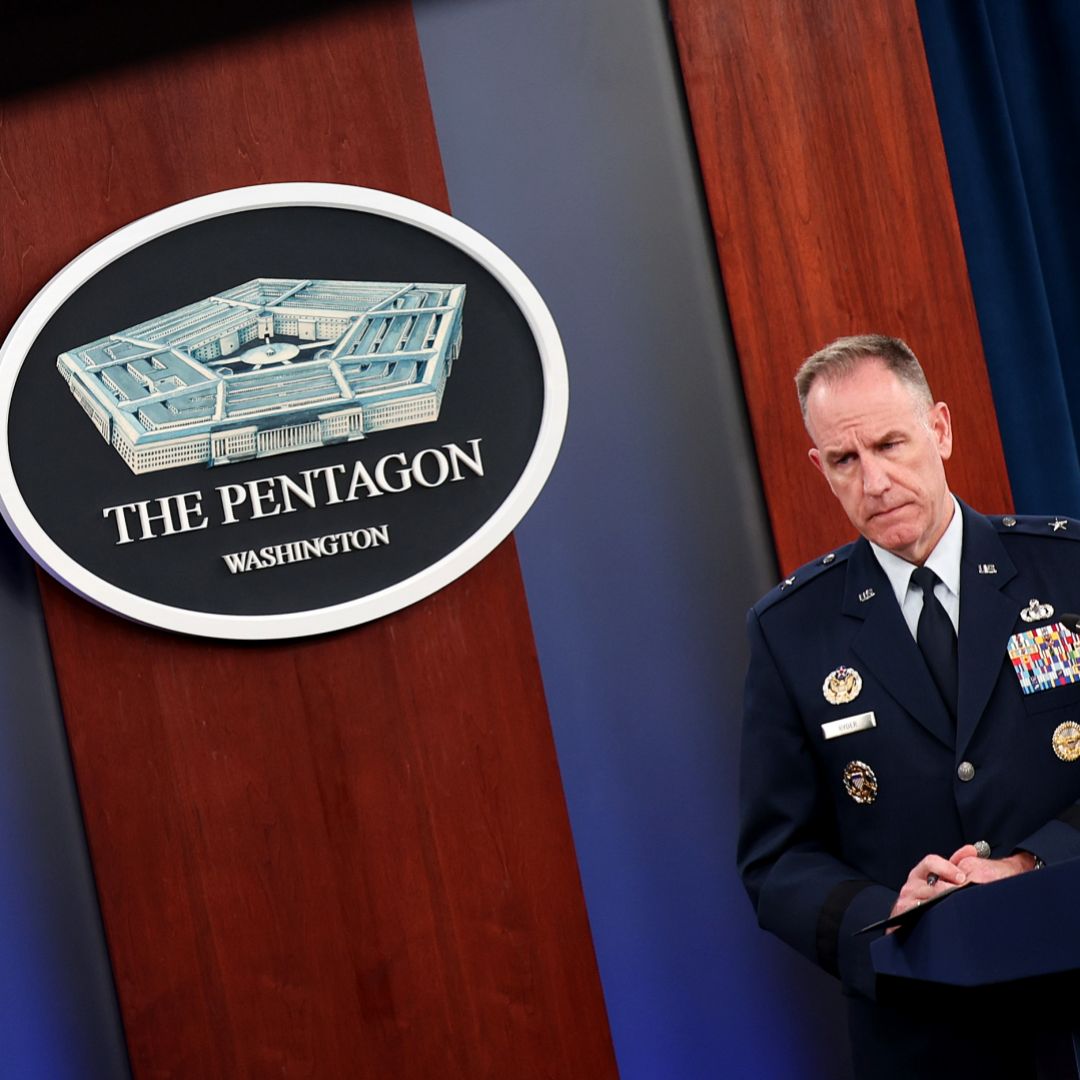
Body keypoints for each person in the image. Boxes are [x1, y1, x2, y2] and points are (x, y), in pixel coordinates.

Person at [737, 335, 1080, 1079]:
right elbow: (776, 858)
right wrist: (887, 912)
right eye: (844, 461)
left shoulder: (1067, 569)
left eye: (892, 443)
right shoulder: (791, 630)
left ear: (941, 430)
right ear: (819, 470)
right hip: (929, 1037)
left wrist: (1035, 859)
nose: (876, 480)